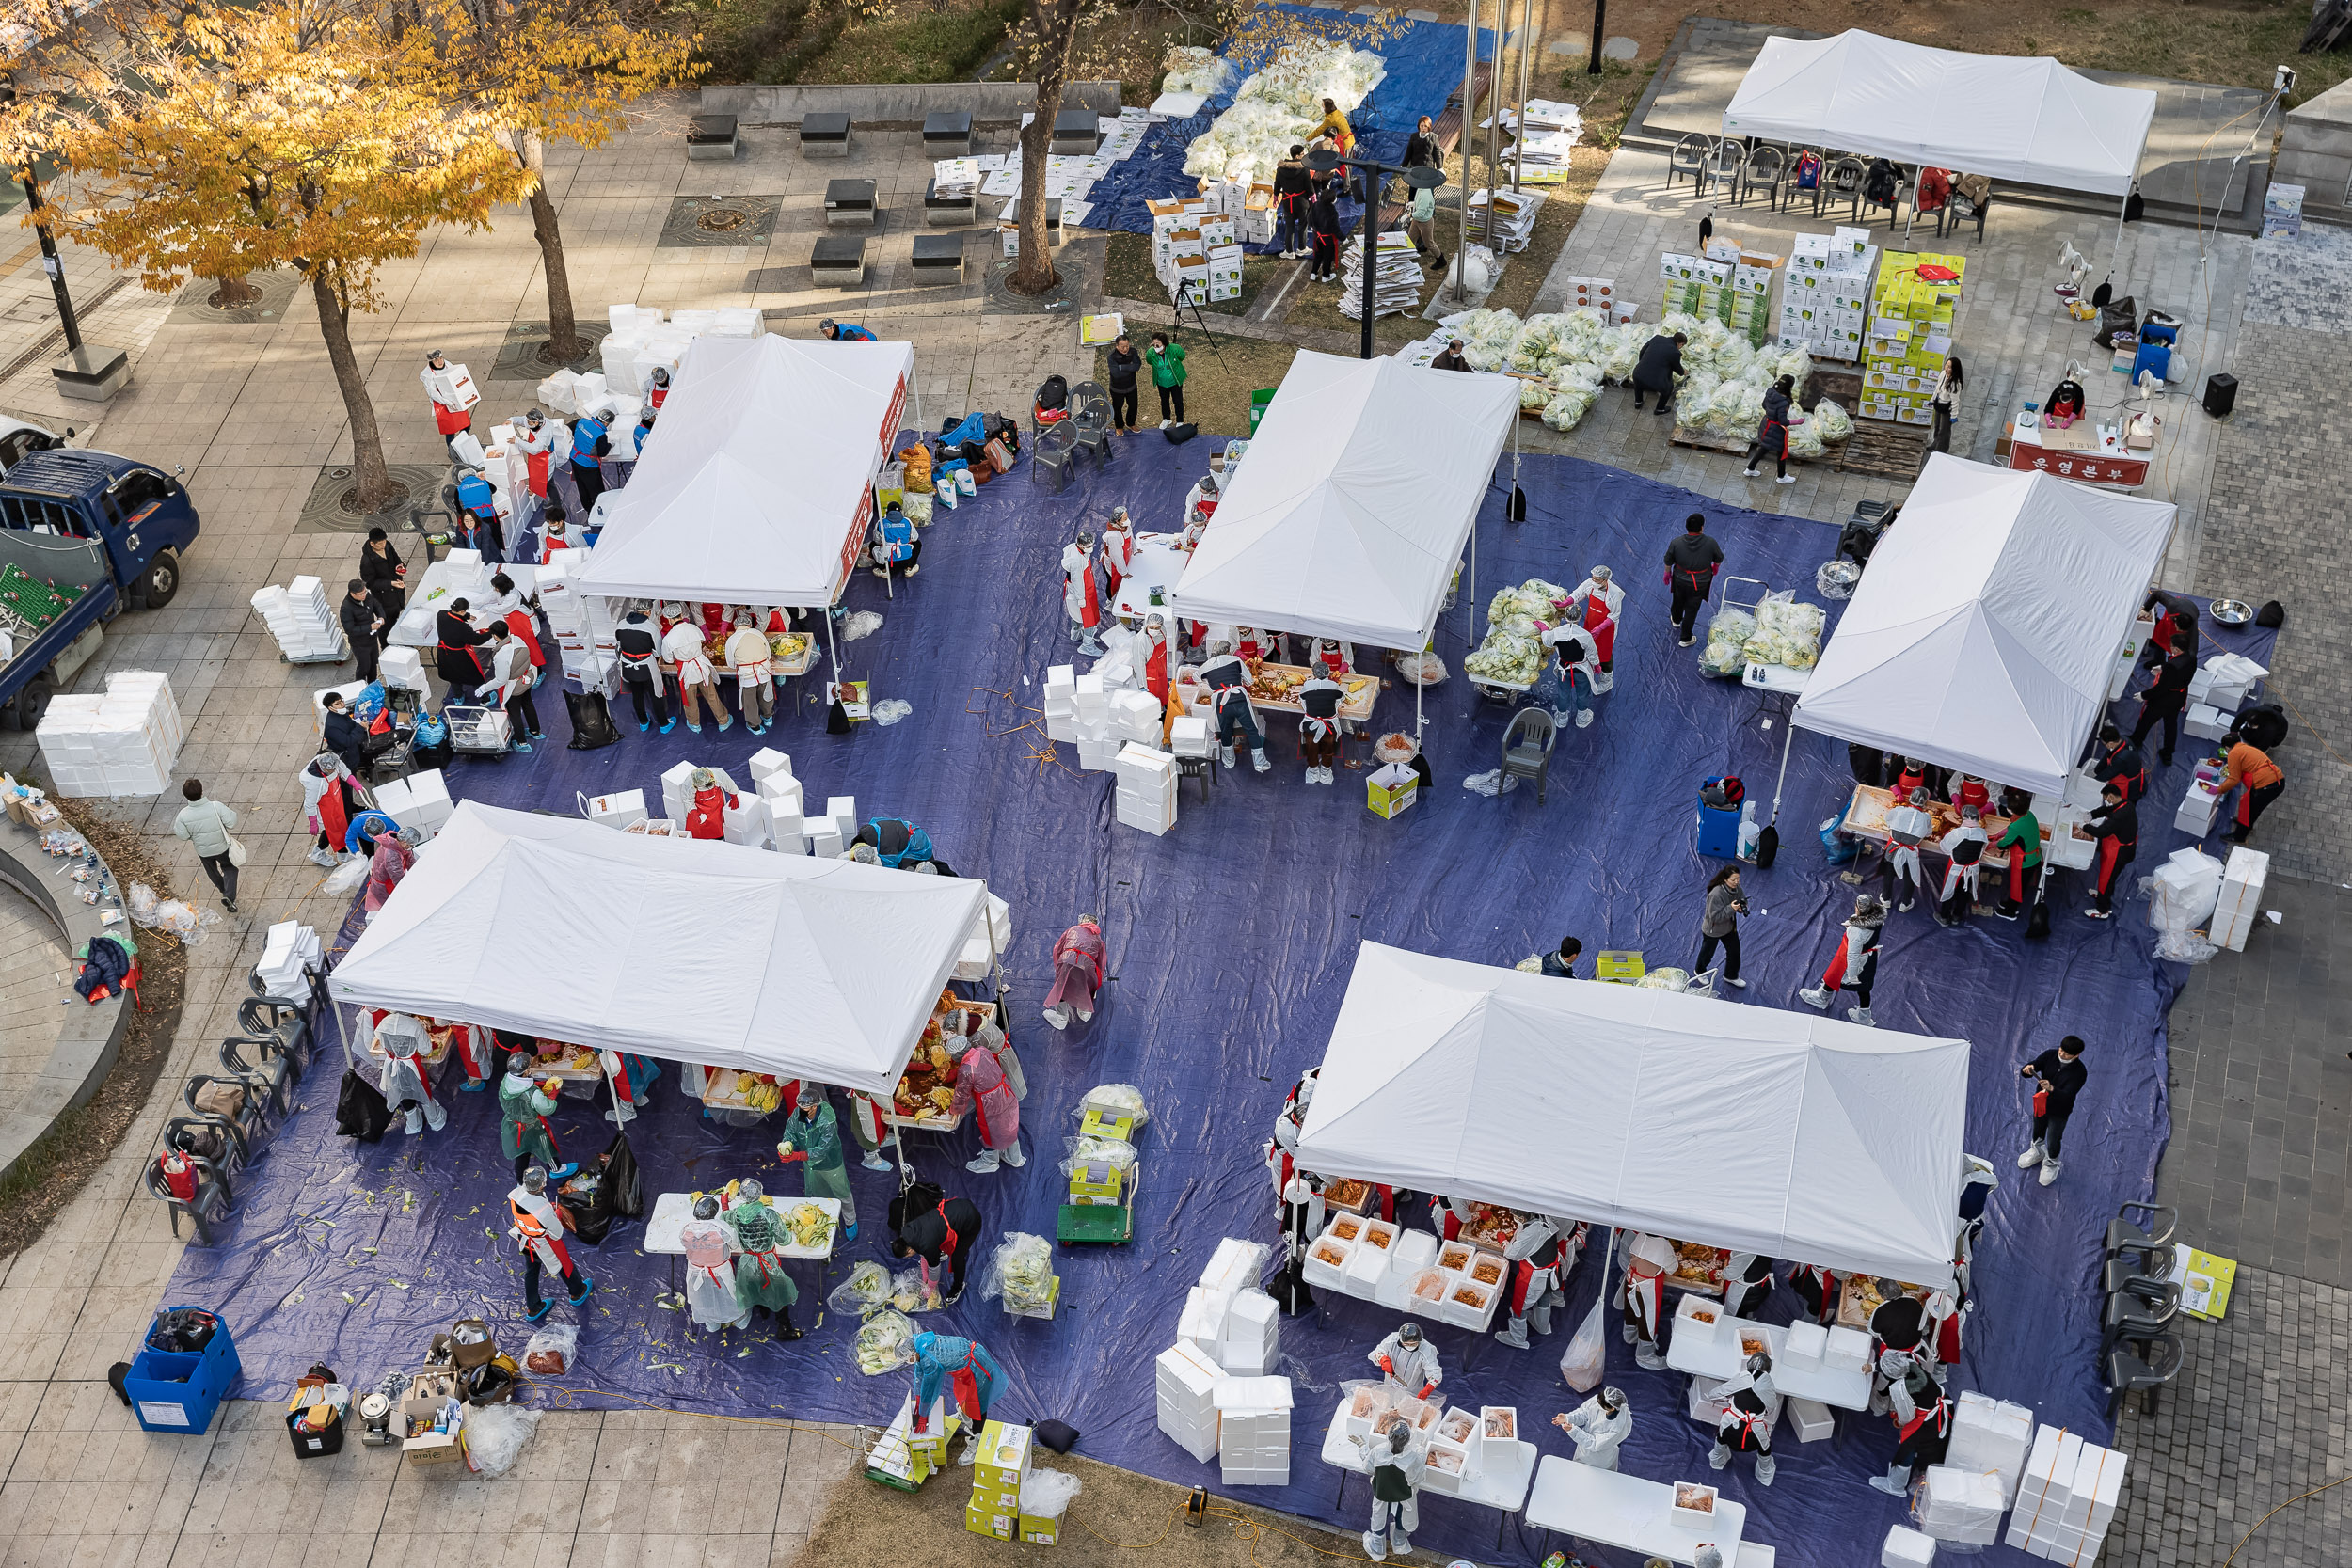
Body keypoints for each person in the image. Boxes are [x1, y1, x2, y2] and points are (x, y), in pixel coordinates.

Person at [509, 1164, 593, 1323]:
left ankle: (533, 1307)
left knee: (531, 1271)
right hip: (543, 1244)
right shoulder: (543, 1211)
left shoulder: (516, 1195)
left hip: (526, 1241)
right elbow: (557, 1233)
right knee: (562, 1264)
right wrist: (557, 1214)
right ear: (542, 1184)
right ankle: (577, 1291)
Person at [722, 1179, 803, 1338]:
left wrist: (725, 1204)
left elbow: (724, 1219)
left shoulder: (736, 1213)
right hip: (767, 1261)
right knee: (779, 1292)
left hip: (747, 1262)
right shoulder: (769, 1214)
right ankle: (784, 1327)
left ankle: (763, 1309)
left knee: (754, 1286)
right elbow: (784, 1240)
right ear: (759, 1193)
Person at [776, 1084, 859, 1241]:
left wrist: (798, 1156)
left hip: (830, 1162)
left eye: (804, 1108)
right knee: (816, 1189)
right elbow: (790, 1131)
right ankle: (822, 1216)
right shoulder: (799, 1112)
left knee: (841, 1191)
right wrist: (787, 1146)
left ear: (814, 1107)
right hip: (810, 1162)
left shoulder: (827, 1119)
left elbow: (823, 1149)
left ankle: (850, 1221)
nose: (800, 1110)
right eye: (799, 1106)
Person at [1869, 1357, 1955, 1497]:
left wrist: (1898, 1421)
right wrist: (1872, 1367)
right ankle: (1927, 1467)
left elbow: (1906, 1417)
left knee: (1908, 1446)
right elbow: (1892, 1364)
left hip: (1929, 1421)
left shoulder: (1901, 1389)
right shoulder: (1911, 1366)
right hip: (1944, 1408)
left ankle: (1895, 1485)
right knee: (1937, 1442)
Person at [1495, 1215, 1582, 1351]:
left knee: (1519, 1305)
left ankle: (1517, 1338)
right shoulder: (1547, 1220)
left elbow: (1512, 1253)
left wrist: (1503, 1241)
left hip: (1532, 1275)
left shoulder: (1532, 1230)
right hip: (1550, 1266)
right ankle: (1542, 1326)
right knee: (1545, 1294)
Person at [1800, 892, 1886, 1026]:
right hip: (1869, 959)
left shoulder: (1856, 931)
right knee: (1864, 988)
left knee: (1833, 976)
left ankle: (1821, 998)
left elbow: (1853, 954)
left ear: (1859, 908)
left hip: (1854, 960)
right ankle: (1864, 1017)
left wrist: (1852, 976)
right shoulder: (1876, 920)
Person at [947, 1022, 1024, 1174]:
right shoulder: (981, 1050)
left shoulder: (966, 1069)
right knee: (1009, 1124)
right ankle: (1014, 1157)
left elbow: (962, 1094)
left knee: (991, 1130)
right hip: (1005, 1091)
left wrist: (953, 1110)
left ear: (956, 1055)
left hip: (990, 1103)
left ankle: (990, 1161)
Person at [892, 1186, 985, 1304]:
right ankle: (940, 1253)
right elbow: (924, 1255)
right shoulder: (908, 1231)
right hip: (956, 1208)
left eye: (906, 1256)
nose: (908, 1257)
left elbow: (935, 1271)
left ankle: (958, 1287)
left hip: (970, 1220)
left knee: (957, 1257)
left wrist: (929, 1288)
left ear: (909, 1250)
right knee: (935, 1245)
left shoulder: (926, 1245)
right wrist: (925, 1278)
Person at [2017, 1035, 2088, 1186]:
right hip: (2041, 1102)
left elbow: (2068, 1096)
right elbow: (2034, 1065)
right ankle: (2037, 1151)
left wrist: (2052, 1089)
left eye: (2067, 1053)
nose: (2061, 1054)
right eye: (2061, 1050)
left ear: (2077, 1055)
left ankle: (2051, 1163)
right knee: (2037, 1129)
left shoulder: (2080, 1072)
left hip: (2059, 1111)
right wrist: (2028, 1068)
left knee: (2054, 1138)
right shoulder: (2050, 1055)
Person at [909, 1330, 1002, 1441]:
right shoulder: (920, 1344)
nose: (907, 1361)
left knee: (977, 1404)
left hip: (977, 1368)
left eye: (907, 1359)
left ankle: (977, 1438)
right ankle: (965, 1416)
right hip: (966, 1365)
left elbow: (928, 1389)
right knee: (964, 1395)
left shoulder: (929, 1361)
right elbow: (919, 1374)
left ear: (913, 1353)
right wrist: (918, 1398)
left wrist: (923, 1416)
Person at [1198, 639, 1272, 772]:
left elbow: (1196, 678)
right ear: (1227, 651)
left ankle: (1229, 762)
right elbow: (1249, 681)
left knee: (1226, 731)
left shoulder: (1206, 665)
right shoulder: (1236, 661)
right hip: (1239, 698)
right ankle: (1260, 763)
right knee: (1251, 729)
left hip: (1221, 702)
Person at [499, 1052, 574, 1180]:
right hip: (532, 1127)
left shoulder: (506, 1082)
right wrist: (552, 1095)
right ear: (526, 1070)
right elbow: (546, 1109)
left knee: (521, 1153)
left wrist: (537, 1087)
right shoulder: (533, 1094)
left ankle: (521, 1182)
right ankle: (556, 1170)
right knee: (545, 1148)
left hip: (512, 1125)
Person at [1708, 1350, 1778, 1486]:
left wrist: (1729, 1397)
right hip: (1754, 1435)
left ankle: (1717, 1462)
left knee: (1720, 1438)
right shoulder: (1768, 1383)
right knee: (1765, 1449)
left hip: (1731, 1430)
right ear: (1768, 1369)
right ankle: (1765, 1477)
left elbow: (1715, 1394)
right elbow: (1771, 1407)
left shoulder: (1742, 1377)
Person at [1355, 1422, 1422, 1563]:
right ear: (1409, 1439)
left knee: (1379, 1518)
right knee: (1401, 1516)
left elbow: (1368, 1468)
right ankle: (1399, 1543)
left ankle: (1378, 1549)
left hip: (1382, 1493)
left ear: (1389, 1437)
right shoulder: (1413, 1457)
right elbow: (1419, 1477)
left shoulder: (1378, 1451)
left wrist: (1362, 1447)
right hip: (1403, 1495)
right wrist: (1422, 1453)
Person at [680, 1196, 749, 1332]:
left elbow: (684, 1243)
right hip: (720, 1270)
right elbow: (734, 1244)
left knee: (703, 1297)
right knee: (728, 1294)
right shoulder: (721, 1229)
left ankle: (711, 1324)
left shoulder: (686, 1229)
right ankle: (740, 1320)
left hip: (696, 1271)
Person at [172, 779, 240, 914]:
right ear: (202, 791)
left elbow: (183, 835)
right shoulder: (216, 806)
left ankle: (223, 889)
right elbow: (232, 822)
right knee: (230, 868)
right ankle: (229, 895)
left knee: (211, 870)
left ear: (185, 796)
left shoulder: (183, 815)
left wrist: (194, 837)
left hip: (203, 850)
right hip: (221, 846)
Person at [373, 1012, 446, 1136]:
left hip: (393, 1065)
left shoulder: (384, 1023)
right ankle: (435, 1121)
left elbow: (385, 1047)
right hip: (412, 1065)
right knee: (423, 1093)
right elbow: (425, 1049)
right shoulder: (413, 1024)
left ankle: (414, 1124)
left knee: (402, 1092)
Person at [610, 602, 674, 735]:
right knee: (656, 694)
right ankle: (663, 724)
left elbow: (619, 645)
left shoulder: (621, 624)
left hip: (627, 665)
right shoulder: (651, 627)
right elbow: (657, 653)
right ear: (648, 612)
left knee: (637, 695)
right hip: (646, 666)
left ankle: (643, 722)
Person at [662, 612, 729, 733]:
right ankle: (723, 721)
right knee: (712, 696)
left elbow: (668, 659)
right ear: (681, 614)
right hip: (701, 667)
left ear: (668, 619)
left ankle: (694, 724)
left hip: (686, 672)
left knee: (690, 699)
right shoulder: (693, 628)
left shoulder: (668, 638)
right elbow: (703, 640)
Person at [2129, 643, 2195, 766]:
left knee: (2147, 720)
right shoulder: (2191, 658)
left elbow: (2161, 688)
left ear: (2176, 648)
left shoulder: (2171, 666)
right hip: (2179, 697)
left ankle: (2136, 741)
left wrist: (2143, 695)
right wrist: (2163, 668)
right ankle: (2168, 753)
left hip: (2163, 700)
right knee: (2171, 725)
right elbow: (2177, 670)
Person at [1663, 513, 1723, 647]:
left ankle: (1676, 620)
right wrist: (1715, 567)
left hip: (1680, 579)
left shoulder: (1676, 542)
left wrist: (1667, 573)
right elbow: (1718, 558)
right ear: (1702, 528)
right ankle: (1685, 638)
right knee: (1691, 608)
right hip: (1700, 583)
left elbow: (1668, 561)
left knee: (1678, 599)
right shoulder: (1710, 543)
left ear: (1686, 527)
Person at [1618, 1230, 1674, 1370]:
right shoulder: (1664, 1245)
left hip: (1631, 1279)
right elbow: (1672, 1269)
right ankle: (1645, 1356)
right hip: (1647, 1287)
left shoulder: (1641, 1236)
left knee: (1630, 1311)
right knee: (1647, 1320)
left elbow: (1633, 1255)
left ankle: (1629, 1336)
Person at [482, 624, 542, 753]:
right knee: (528, 704)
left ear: (495, 636)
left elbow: (501, 680)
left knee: (514, 713)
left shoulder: (501, 656)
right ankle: (535, 731)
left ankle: (521, 742)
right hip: (527, 678)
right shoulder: (518, 640)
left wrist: (484, 688)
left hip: (514, 687)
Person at [2216, 734, 2285, 844]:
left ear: (2227, 747)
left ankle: (2239, 836)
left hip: (2267, 786)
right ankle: (2246, 826)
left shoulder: (2233, 753)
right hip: (2276, 780)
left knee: (2249, 810)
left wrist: (2219, 790)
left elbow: (2234, 779)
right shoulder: (2245, 748)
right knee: (2253, 808)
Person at [2085, 780, 2137, 920]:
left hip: (2119, 853)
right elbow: (2106, 810)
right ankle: (2103, 894)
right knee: (2107, 878)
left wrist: (2085, 827)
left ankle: (2102, 909)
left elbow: (2102, 832)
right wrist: (2092, 815)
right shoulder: (2126, 804)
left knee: (2107, 878)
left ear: (2111, 797)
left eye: (2105, 799)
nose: (2105, 802)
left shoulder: (2118, 817)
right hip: (2119, 849)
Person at [1563, 566, 1623, 688]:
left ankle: (1606, 681)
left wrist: (1600, 628)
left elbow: (1614, 615)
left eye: (1597, 580)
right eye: (1593, 578)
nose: (1593, 582)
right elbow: (1578, 593)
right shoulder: (1590, 584)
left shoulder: (1614, 593)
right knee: (1587, 648)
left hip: (1606, 630)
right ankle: (1588, 671)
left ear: (1605, 580)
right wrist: (1566, 602)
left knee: (1605, 655)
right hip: (1591, 623)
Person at [1042, 915, 1105, 1030]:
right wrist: (1095, 983)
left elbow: (1058, 948)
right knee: (1085, 987)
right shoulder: (1099, 941)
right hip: (1086, 965)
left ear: (1082, 922)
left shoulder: (1073, 929)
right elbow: (1101, 964)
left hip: (1067, 960)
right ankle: (1084, 1013)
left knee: (1062, 986)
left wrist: (1060, 967)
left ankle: (1061, 1019)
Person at [1880, 787, 1933, 913]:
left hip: (1894, 847)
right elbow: (1928, 833)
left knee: (1889, 872)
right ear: (1925, 801)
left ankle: (1886, 899)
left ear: (1911, 797)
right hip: (1911, 851)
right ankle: (1905, 903)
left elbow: (1888, 822)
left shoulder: (1899, 810)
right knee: (1909, 875)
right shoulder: (1926, 818)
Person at [1694, 864, 1749, 989]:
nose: (1736, 882)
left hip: (1729, 927)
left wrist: (1742, 907)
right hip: (1713, 929)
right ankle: (1700, 971)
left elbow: (1742, 898)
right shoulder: (1716, 895)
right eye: (1733, 879)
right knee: (1707, 954)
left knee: (1735, 952)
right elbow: (1715, 917)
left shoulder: (1736, 888)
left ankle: (1730, 975)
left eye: (1738, 879)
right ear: (1725, 879)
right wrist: (1731, 908)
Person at [1933, 805, 1988, 927]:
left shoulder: (1957, 833)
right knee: (1964, 892)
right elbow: (1982, 849)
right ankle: (1957, 916)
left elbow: (1944, 848)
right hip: (1972, 869)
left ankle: (1944, 917)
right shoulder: (1982, 833)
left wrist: (1944, 838)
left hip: (1956, 869)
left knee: (1950, 891)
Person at [1741, 374, 1803, 483]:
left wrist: (1771, 413)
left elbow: (1764, 405)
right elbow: (1783, 421)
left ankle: (1750, 469)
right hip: (1775, 429)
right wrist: (1798, 421)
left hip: (1766, 424)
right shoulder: (1783, 402)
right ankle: (1781, 476)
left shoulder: (1770, 392)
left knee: (1764, 447)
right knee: (1781, 451)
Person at [723, 611, 776, 734]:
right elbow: (768, 654)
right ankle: (768, 717)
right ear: (749, 625)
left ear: (735, 627)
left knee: (750, 702)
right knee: (766, 696)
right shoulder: (758, 633)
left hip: (747, 676)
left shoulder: (732, 640)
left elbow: (731, 663)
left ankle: (755, 726)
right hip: (764, 671)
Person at [1556, 1387, 1632, 1471]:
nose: (1597, 1405)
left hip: (1600, 1458)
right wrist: (1567, 1418)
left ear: (1612, 1408)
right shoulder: (1602, 1399)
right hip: (1583, 1447)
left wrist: (1573, 1431)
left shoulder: (1618, 1426)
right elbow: (1585, 1413)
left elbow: (1596, 1444)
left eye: (1600, 1405)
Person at [433, 596, 490, 706]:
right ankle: (484, 699)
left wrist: (466, 616)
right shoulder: (462, 627)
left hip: (444, 653)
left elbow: (449, 614)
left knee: (452, 676)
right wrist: (490, 632)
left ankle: (458, 697)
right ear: (462, 611)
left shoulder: (441, 615)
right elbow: (477, 640)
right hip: (460, 656)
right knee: (475, 677)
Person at [1542, 622, 1600, 730]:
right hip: (1581, 671)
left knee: (1563, 694)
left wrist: (1544, 629)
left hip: (1564, 670)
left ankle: (1562, 719)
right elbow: (1592, 654)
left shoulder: (1556, 633)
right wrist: (1596, 665)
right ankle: (1582, 719)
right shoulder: (1585, 635)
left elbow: (1546, 641)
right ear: (1579, 617)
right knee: (1583, 694)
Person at [1993, 798, 2043, 920]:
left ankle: (2011, 912)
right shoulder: (2028, 814)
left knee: (2018, 887)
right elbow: (2012, 826)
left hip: (2025, 861)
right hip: (2034, 856)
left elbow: (2005, 844)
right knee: (2019, 885)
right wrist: (1999, 834)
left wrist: (1993, 844)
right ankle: (2010, 903)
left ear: (2011, 810)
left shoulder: (2018, 826)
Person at [1297, 664, 1343, 785]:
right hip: (1330, 725)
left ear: (1314, 673)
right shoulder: (1334, 685)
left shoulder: (1307, 685)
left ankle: (1313, 772)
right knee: (1328, 748)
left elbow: (1302, 701)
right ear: (1328, 672)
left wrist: (1314, 714)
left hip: (1311, 724)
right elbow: (1338, 701)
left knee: (1311, 748)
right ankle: (1325, 773)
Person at [1369, 1322, 1441, 1398]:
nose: (1410, 1346)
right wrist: (1383, 1359)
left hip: (1411, 1390)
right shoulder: (1392, 1340)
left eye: (1413, 1344)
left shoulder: (1426, 1350)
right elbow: (1378, 1351)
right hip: (1389, 1385)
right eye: (1406, 1344)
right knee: (1386, 1404)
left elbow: (1435, 1373)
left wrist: (1427, 1390)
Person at [421, 351, 471, 453]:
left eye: (441, 358)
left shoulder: (447, 365)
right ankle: (452, 451)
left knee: (466, 425)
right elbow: (433, 393)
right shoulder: (429, 375)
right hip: (443, 405)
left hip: (455, 400)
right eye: (436, 360)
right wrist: (447, 402)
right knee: (450, 431)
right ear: (431, 361)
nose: (440, 361)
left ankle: (463, 443)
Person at [362, 816, 414, 913]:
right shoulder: (392, 854)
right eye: (410, 845)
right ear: (404, 842)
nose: (411, 847)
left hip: (386, 879)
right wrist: (407, 891)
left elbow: (410, 858)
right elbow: (398, 878)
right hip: (384, 886)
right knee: (388, 908)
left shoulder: (397, 843)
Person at [453, 466, 504, 562]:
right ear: (474, 475)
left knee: (481, 544)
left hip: (473, 520)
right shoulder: (484, 483)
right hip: (490, 516)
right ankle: (499, 563)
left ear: (461, 479)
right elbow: (494, 489)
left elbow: (459, 509)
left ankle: (482, 563)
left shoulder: (459, 489)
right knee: (494, 541)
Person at [568, 404, 612, 515]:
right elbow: (602, 452)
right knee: (596, 490)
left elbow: (570, 430)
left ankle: (588, 508)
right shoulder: (601, 435)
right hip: (588, 465)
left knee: (582, 486)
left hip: (575, 458)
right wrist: (609, 445)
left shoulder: (581, 422)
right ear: (606, 423)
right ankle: (599, 512)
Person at [1631, 330, 1687, 416]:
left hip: (1637, 374)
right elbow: (1677, 368)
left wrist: (1642, 364)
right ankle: (1660, 409)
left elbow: (1642, 350)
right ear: (1681, 344)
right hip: (1653, 380)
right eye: (1682, 346)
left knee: (1639, 381)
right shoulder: (1675, 352)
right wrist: (1683, 372)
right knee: (1669, 386)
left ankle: (1638, 402)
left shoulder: (1657, 338)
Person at [1061, 530, 1101, 648]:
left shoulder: (1073, 548)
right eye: (1088, 546)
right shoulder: (1077, 561)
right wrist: (1081, 598)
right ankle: (1088, 645)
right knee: (1089, 618)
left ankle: (1076, 634)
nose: (1091, 548)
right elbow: (1078, 580)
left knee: (1076, 614)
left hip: (1078, 590)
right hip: (1082, 593)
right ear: (1081, 545)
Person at [360, 527, 406, 627]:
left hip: (397, 590)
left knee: (398, 612)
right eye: (380, 543)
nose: (383, 545)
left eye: (384, 542)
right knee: (388, 622)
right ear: (372, 543)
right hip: (385, 598)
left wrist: (400, 566)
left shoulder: (387, 546)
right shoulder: (367, 561)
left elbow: (396, 558)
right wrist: (391, 583)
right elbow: (370, 583)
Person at [340, 578, 385, 682]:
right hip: (360, 644)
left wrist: (381, 616)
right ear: (352, 594)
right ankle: (360, 686)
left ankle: (373, 685)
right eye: (361, 594)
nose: (364, 595)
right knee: (364, 667)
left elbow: (377, 605)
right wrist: (370, 627)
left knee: (373, 664)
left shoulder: (367, 596)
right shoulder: (346, 608)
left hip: (372, 639)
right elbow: (350, 630)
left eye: (365, 592)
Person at [1273, 145, 1312, 259]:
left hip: (1287, 201)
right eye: (1302, 154)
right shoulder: (1304, 168)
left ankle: (1289, 251)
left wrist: (1275, 196)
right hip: (1301, 202)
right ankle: (1302, 248)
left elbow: (1277, 183)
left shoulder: (1281, 169)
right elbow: (1308, 185)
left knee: (1289, 227)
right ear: (1297, 156)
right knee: (1303, 225)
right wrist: (1313, 197)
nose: (1304, 156)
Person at [319, 692, 370, 777]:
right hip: (346, 758)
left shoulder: (341, 713)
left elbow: (352, 724)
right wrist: (360, 728)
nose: (342, 704)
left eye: (341, 700)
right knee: (349, 779)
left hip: (353, 751)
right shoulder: (332, 726)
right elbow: (347, 741)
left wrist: (361, 726)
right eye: (338, 703)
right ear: (330, 708)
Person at [872, 498, 918, 584]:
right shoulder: (907, 521)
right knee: (918, 544)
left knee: (872, 545)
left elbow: (877, 541)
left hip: (888, 562)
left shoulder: (881, 523)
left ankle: (883, 570)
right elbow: (914, 538)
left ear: (887, 512)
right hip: (906, 560)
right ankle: (909, 568)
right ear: (900, 511)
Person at [682, 768, 737, 841]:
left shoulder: (718, 774)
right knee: (697, 828)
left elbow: (730, 784)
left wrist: (734, 797)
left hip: (716, 804)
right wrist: (693, 811)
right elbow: (687, 799)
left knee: (717, 823)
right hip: (698, 806)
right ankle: (696, 840)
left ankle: (719, 838)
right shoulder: (689, 782)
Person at [1146, 333, 1186, 428]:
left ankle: (1180, 421)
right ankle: (1166, 419)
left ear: (1164, 343)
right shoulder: (1151, 352)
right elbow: (1149, 361)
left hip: (1175, 382)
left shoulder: (1175, 349)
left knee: (1178, 401)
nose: (1156, 346)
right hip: (1161, 383)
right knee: (1164, 401)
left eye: (1158, 343)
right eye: (1154, 344)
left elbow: (1182, 356)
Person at [1105, 332, 1142, 434]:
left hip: (1131, 386)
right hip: (1117, 388)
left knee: (1133, 406)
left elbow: (1137, 365)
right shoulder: (1112, 357)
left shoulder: (1133, 352)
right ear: (1117, 346)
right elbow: (1116, 374)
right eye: (1122, 347)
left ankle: (1131, 423)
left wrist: (1122, 367)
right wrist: (1130, 367)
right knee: (1117, 407)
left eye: (1127, 346)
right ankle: (1119, 426)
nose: (1125, 349)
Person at [1307, 183, 1343, 284]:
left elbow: (1309, 218)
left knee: (1318, 255)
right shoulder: (1332, 212)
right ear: (1332, 200)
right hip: (1328, 239)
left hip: (1317, 237)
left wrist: (1312, 226)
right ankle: (1325, 275)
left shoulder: (1315, 205)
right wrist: (1343, 238)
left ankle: (1313, 273)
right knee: (1327, 257)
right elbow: (1335, 228)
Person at [1722, 1252, 1775, 1318]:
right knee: (1748, 1309)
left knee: (1738, 1314)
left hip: (1747, 1293)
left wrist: (1716, 1274)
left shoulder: (1745, 1253)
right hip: (1759, 1282)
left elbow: (1731, 1274)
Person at [1406, 178, 1443, 271]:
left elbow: (1420, 213)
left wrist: (1408, 216)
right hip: (1416, 221)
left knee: (1429, 243)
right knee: (1410, 240)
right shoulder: (1420, 189)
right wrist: (1412, 204)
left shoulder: (1425, 194)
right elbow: (1420, 204)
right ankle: (1405, 260)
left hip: (1425, 222)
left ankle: (1441, 260)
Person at [1931, 355, 1964, 452]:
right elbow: (1937, 389)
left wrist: (1954, 415)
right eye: (1946, 365)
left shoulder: (1955, 384)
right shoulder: (1942, 374)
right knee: (1937, 426)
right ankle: (1935, 444)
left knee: (1944, 430)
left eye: (1950, 367)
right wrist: (1932, 400)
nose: (1947, 368)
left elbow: (1955, 401)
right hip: (1939, 404)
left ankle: (1941, 450)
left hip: (1947, 408)